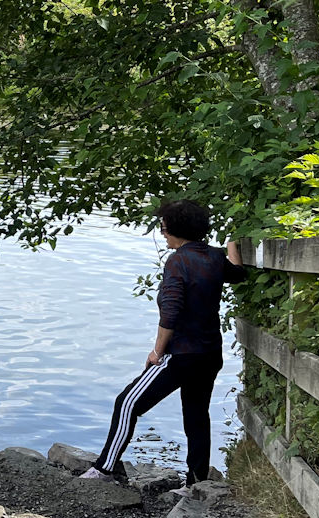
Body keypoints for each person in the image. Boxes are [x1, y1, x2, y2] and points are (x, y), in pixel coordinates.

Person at [81, 200, 247, 489]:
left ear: (175, 229)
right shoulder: (214, 256)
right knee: (196, 414)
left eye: (164, 228)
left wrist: (157, 352)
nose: (163, 232)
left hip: (181, 354)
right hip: (209, 354)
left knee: (127, 403)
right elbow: (239, 273)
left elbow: (170, 313)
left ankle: (105, 468)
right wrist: (233, 238)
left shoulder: (177, 261)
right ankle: (197, 481)